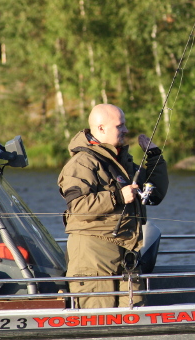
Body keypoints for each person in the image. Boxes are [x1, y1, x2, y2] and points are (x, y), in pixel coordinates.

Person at [58, 104, 168, 309]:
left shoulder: (122, 162)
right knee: (99, 323)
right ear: (101, 128)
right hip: (94, 261)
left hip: (127, 257)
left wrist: (154, 157)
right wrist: (117, 196)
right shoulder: (82, 163)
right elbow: (78, 206)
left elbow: (155, 194)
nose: (126, 130)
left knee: (135, 318)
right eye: (120, 126)